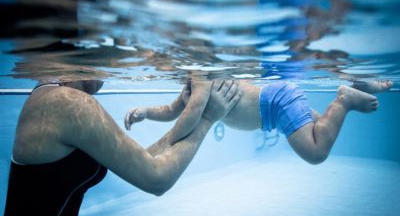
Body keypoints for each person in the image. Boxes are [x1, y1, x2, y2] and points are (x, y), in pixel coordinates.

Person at [1, 78, 241, 216]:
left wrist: (190, 114)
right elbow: (157, 179)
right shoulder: (67, 103)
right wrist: (208, 118)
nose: (106, 76)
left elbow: (140, 162)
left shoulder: (53, 92)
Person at [125, 79, 393, 164]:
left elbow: (186, 121)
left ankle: (345, 98)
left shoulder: (203, 76)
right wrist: (146, 112)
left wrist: (157, 152)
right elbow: (174, 109)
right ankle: (358, 86)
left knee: (316, 152)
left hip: (277, 105)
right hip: (278, 102)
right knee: (324, 127)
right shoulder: (193, 80)